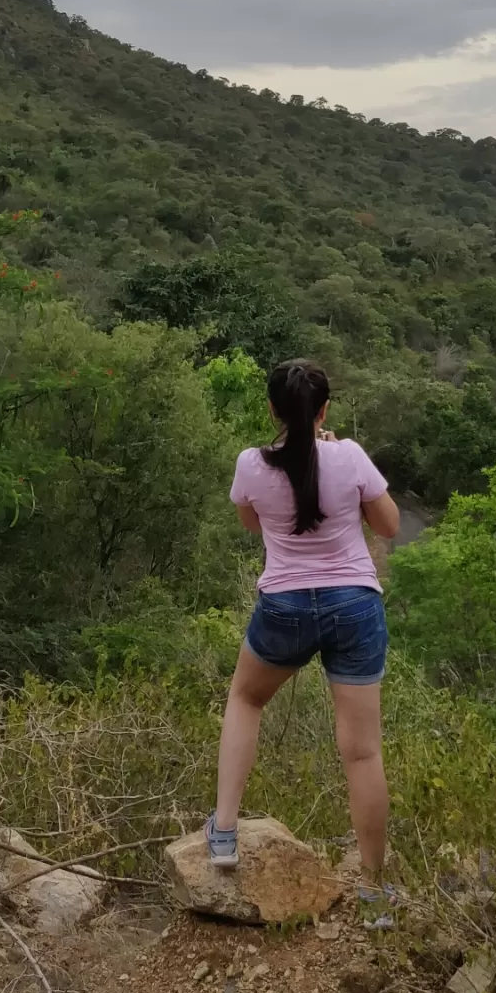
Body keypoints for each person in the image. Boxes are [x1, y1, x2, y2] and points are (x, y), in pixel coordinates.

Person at [206, 359, 401, 927]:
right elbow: (388, 525)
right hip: (354, 606)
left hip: (285, 607)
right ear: (324, 410)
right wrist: (346, 473)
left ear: (272, 409)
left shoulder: (250, 464)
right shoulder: (350, 455)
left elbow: (252, 524)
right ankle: (374, 893)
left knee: (245, 700)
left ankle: (222, 835)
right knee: (362, 753)